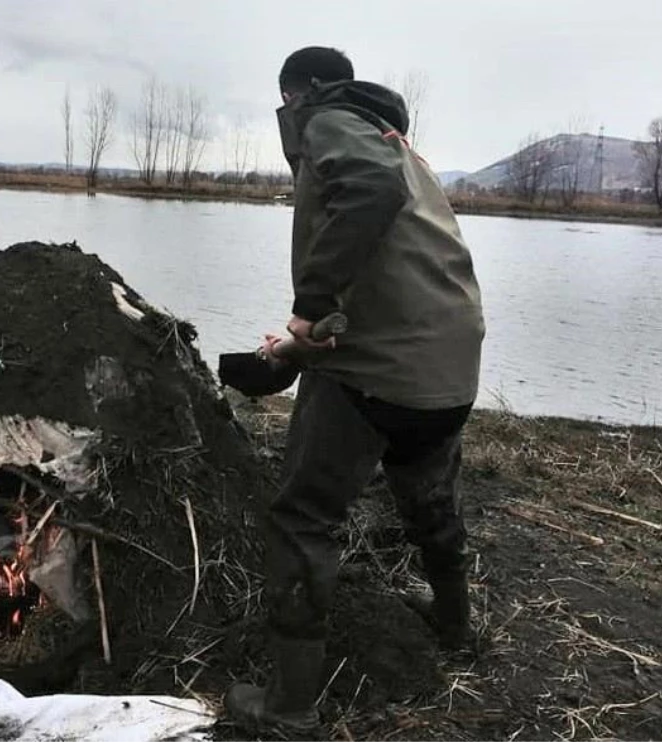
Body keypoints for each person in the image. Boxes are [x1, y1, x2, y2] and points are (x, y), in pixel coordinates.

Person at [225, 46, 486, 734]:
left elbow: (367, 191)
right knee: (428, 497)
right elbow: (389, 271)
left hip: (377, 373)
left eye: (285, 105)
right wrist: (292, 347)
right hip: (450, 373)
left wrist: (309, 301)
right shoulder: (406, 151)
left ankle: (289, 708)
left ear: (299, 94)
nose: (286, 120)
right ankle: (457, 625)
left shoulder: (329, 120)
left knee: (303, 519)